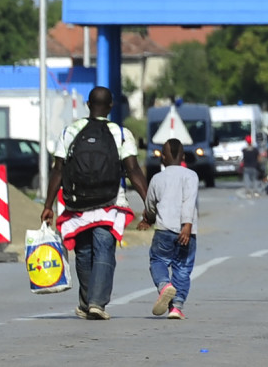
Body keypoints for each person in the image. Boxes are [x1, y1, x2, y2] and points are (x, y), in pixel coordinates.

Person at [41, 86, 148, 321]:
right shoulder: (120, 133)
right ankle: (96, 302)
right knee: (104, 249)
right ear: (111, 107)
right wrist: (149, 202)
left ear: (88, 105)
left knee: (84, 251)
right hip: (109, 203)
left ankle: (87, 301)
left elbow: (58, 170)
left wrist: (48, 205)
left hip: (77, 203)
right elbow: (133, 170)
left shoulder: (70, 131)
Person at [136, 138, 199, 320]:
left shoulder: (157, 178)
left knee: (158, 261)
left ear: (162, 157)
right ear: (183, 156)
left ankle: (164, 285)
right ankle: (176, 308)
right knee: (182, 268)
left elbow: (150, 204)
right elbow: (189, 201)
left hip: (164, 230)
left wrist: (147, 219)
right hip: (187, 232)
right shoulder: (191, 176)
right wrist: (187, 225)